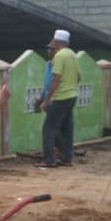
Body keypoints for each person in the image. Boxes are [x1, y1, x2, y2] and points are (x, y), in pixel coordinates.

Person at [38, 29, 79, 169]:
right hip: (72, 96)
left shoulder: (59, 56)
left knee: (49, 127)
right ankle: (67, 158)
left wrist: (47, 98)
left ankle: (49, 160)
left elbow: (56, 78)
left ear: (56, 41)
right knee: (67, 128)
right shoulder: (73, 55)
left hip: (61, 97)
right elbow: (78, 77)